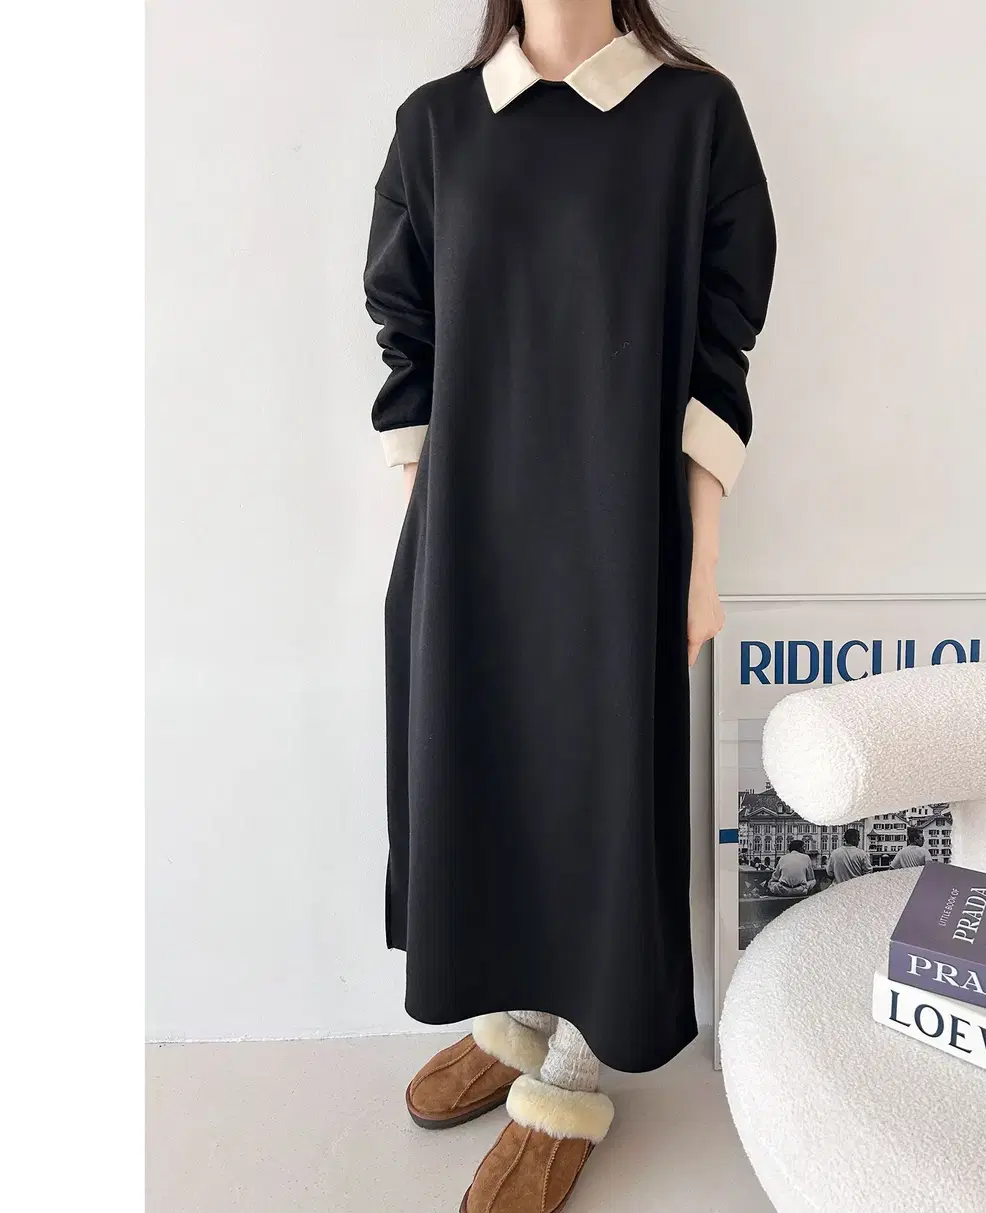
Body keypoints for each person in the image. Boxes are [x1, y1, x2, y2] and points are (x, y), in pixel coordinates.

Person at [362, 2, 776, 1208]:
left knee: (600, 786)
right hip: (466, 533)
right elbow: (406, 336)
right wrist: (429, 535)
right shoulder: (436, 126)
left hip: (621, 533)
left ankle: (575, 1070)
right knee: (476, 773)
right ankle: (511, 1018)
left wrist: (700, 559)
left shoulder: (693, 117)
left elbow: (720, 351)